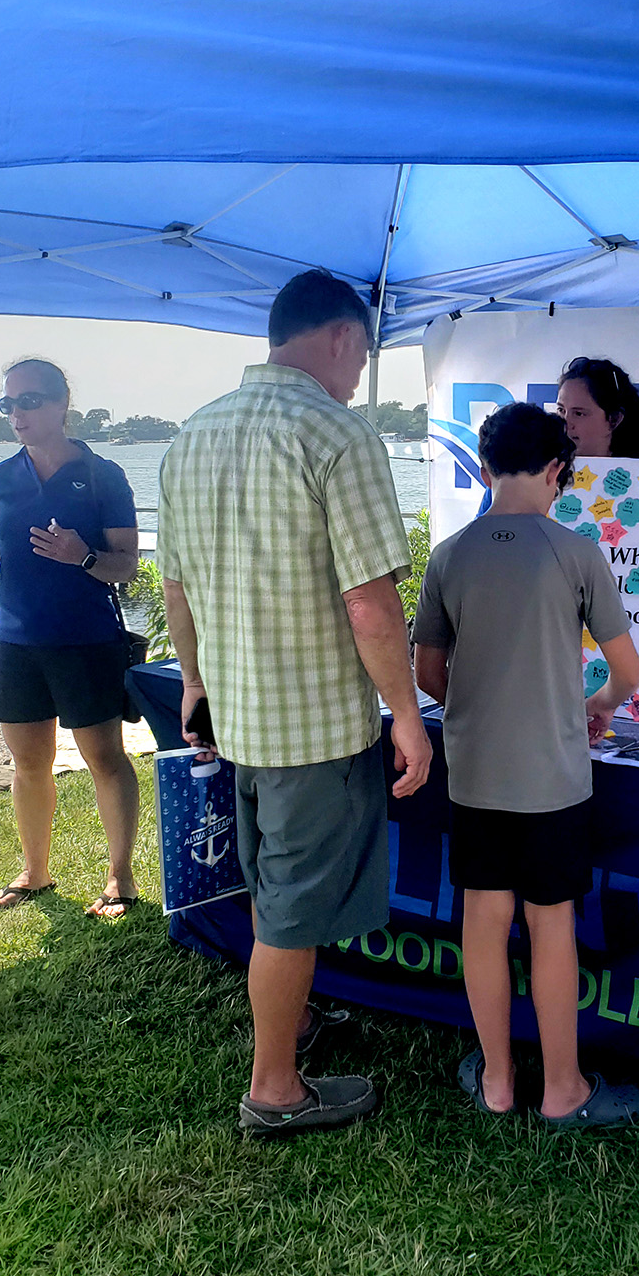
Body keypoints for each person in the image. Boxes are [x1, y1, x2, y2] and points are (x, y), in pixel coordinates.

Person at [159, 269, 431, 1138]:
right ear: (343, 338)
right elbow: (370, 601)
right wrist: (409, 716)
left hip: (238, 716)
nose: (359, 375)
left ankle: (297, 1024)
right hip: (312, 725)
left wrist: (195, 684)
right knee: (288, 907)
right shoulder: (337, 433)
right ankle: (275, 1087)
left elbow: (176, 591)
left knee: (273, 887)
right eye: (364, 355)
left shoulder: (189, 438)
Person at [411, 403, 639, 1128]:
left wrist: (478, 706)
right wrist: (592, 706)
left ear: (483, 469)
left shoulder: (449, 554)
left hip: (477, 771)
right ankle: (565, 1089)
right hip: (554, 779)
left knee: (484, 920)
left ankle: (499, 1084)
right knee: (551, 925)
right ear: (557, 472)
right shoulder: (575, 553)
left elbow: (427, 673)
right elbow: (627, 674)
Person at [0, 358, 143, 917]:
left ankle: (121, 878)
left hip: (85, 641)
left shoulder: (102, 474)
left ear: (63, 405)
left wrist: (80, 556)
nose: (18, 413)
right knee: (28, 763)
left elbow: (127, 566)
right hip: (15, 642)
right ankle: (34, 873)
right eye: (8, 404)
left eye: (30, 401)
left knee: (104, 759)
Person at [555, 356, 639, 458]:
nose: (565, 423)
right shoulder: (543, 473)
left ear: (613, 420)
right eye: (561, 410)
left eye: (579, 413)